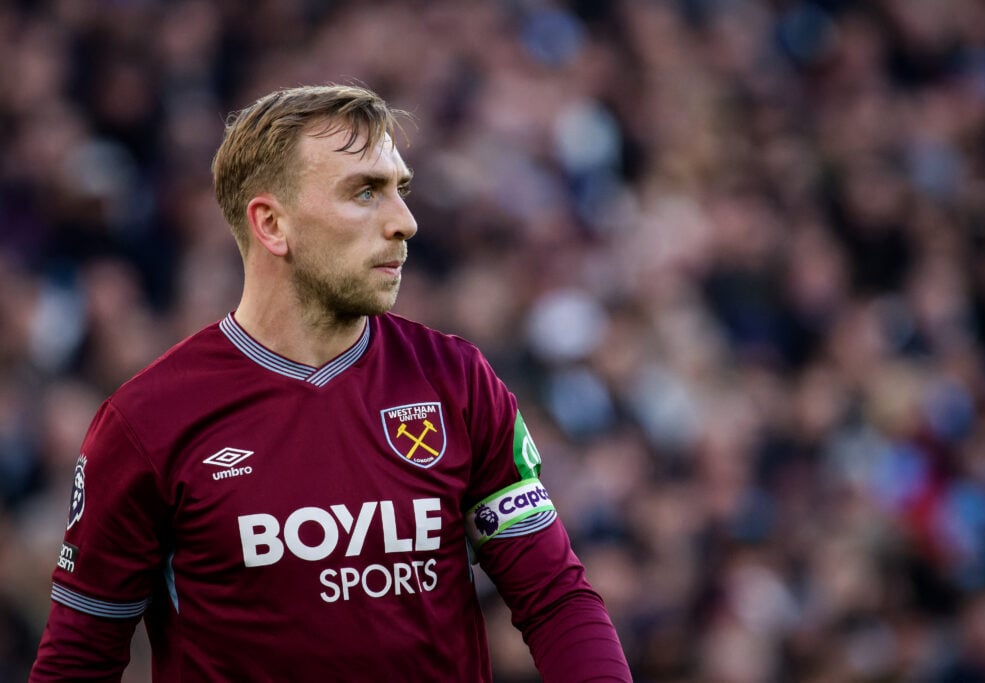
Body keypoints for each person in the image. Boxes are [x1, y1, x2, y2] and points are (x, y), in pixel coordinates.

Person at [29, 84, 632, 681]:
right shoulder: (148, 422)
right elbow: (79, 662)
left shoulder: (457, 381)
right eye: (366, 192)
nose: (405, 222)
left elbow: (554, 597)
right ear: (271, 224)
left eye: (401, 190)